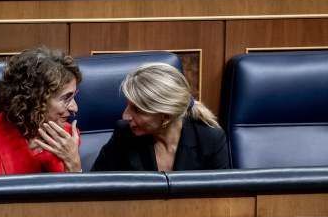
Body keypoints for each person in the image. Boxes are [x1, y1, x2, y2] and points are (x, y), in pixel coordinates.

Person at [0, 47, 82, 177]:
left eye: (73, 96)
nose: (75, 107)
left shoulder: (67, 137)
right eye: (66, 98)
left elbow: (79, 196)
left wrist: (73, 164)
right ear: (36, 100)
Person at [91, 62, 229, 171]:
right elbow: (97, 187)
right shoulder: (124, 135)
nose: (125, 116)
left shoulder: (210, 140)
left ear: (166, 117)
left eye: (137, 110)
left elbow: (223, 198)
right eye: (128, 105)